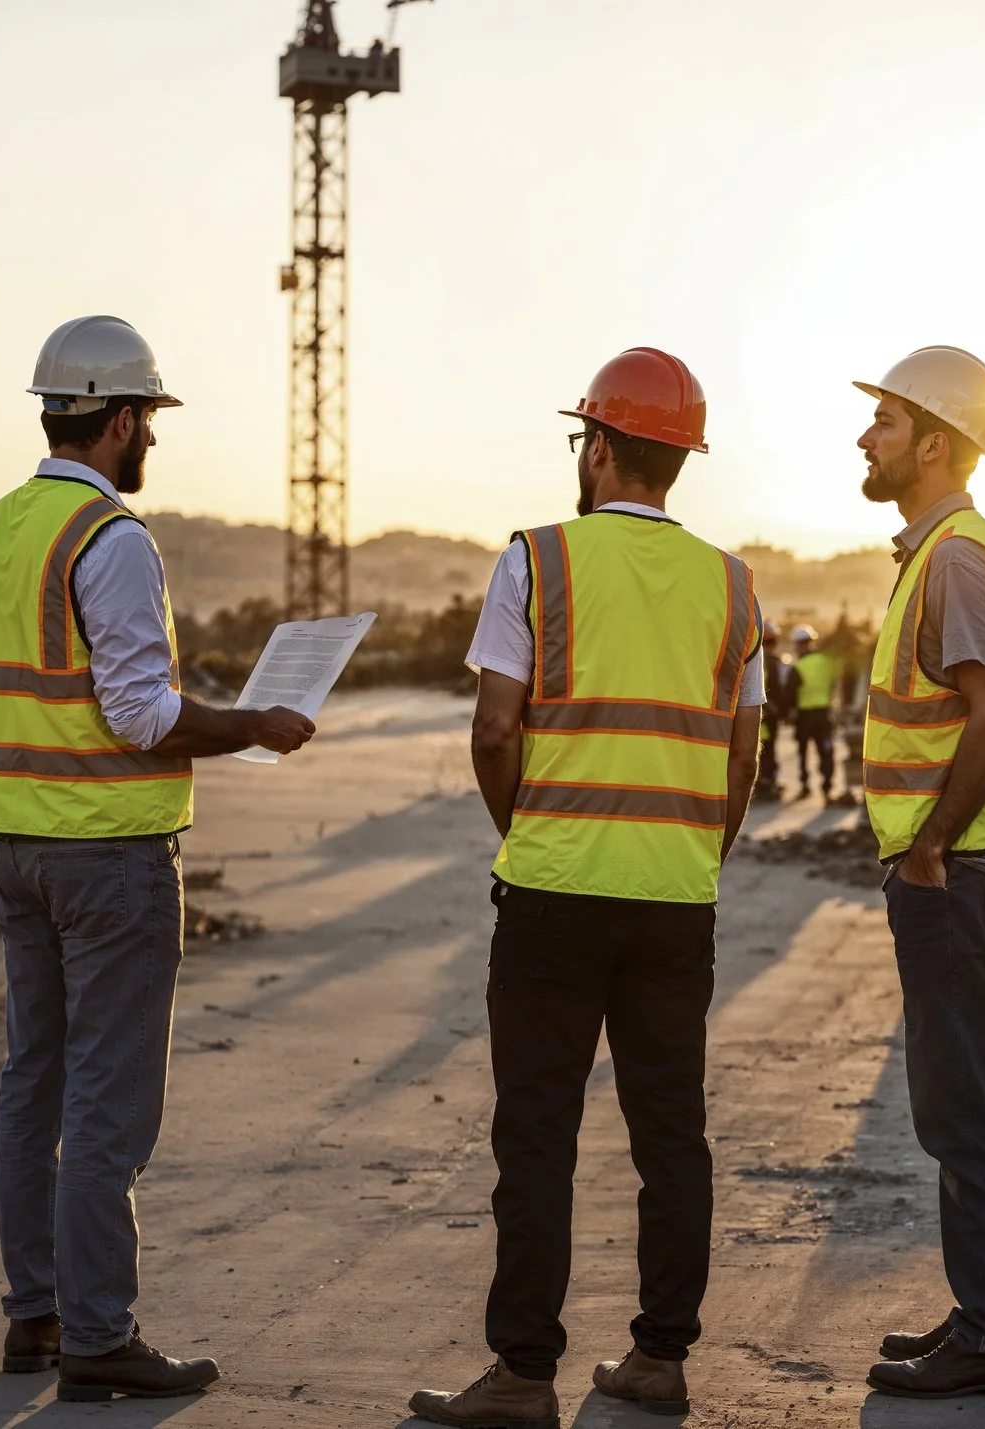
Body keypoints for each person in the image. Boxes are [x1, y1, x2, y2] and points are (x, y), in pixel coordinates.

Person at [0, 316, 316, 1404]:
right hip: (105, 860)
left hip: (15, 848)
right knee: (108, 1103)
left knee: (33, 1085)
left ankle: (36, 1317)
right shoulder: (109, 539)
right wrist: (251, 724)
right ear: (118, 419)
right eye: (148, 422)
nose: (151, 441)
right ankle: (99, 1339)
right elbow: (137, 712)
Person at [408, 348, 764, 1428]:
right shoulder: (733, 585)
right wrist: (695, 853)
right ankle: (661, 1357)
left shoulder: (535, 561)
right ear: (679, 460)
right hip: (675, 900)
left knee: (536, 1134)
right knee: (671, 1134)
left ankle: (523, 1373)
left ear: (601, 446)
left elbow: (490, 730)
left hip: (554, 898)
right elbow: (742, 755)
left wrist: (534, 835)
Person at [850, 347, 985, 1401]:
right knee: (983, 1104)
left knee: (966, 1107)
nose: (865, 438)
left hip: (967, 873)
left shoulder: (957, 557)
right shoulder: (935, 552)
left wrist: (930, 845)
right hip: (970, 869)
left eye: (884, 422)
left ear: (934, 441)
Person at [787, 625, 841, 800]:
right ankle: (827, 787)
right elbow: (833, 684)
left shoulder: (798, 666)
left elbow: (790, 693)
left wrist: (787, 713)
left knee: (803, 752)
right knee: (825, 750)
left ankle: (805, 785)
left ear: (798, 644)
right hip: (824, 714)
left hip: (804, 715)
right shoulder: (826, 662)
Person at [755, 622, 786, 800]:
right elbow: (778, 689)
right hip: (767, 714)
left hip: (761, 712)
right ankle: (766, 781)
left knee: (760, 747)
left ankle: (764, 781)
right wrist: (781, 712)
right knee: (767, 748)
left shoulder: (755, 659)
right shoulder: (772, 663)